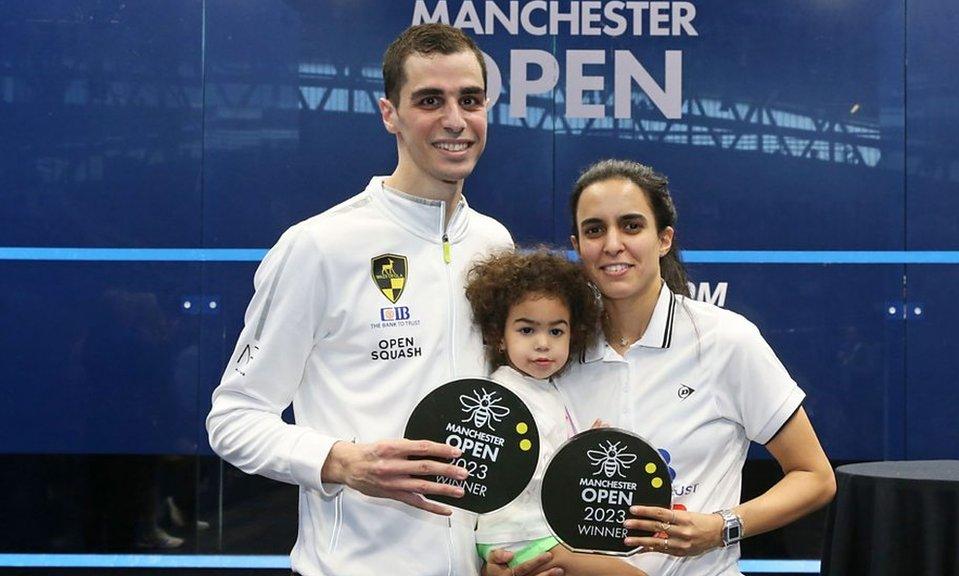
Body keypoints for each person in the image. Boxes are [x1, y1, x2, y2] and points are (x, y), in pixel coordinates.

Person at [206, 24, 559, 576]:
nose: (454, 120)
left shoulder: (494, 241)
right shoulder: (319, 246)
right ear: (388, 113)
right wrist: (344, 462)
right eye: (429, 101)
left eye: (470, 100)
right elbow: (233, 419)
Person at [557, 159, 836, 575]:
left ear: (664, 238)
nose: (612, 244)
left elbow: (815, 477)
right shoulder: (557, 352)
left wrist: (721, 527)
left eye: (632, 226)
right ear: (577, 245)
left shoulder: (724, 340)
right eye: (595, 230)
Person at [466, 250, 645, 576]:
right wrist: (579, 459)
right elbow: (532, 470)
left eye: (556, 331)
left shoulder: (545, 389)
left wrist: (583, 447)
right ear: (498, 336)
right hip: (521, 537)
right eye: (526, 330)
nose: (543, 344)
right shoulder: (505, 394)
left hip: (537, 534)